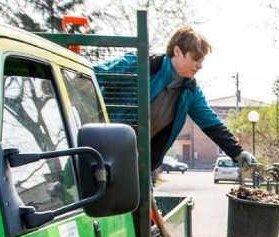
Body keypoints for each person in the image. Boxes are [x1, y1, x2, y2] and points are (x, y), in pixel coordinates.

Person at [96, 26, 255, 174]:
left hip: (140, 162)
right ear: (177, 51)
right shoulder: (140, 65)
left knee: (136, 203)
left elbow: (212, 124)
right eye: (196, 59)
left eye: (202, 61)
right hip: (102, 149)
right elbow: (90, 77)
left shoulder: (190, 91)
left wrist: (238, 153)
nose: (200, 66)